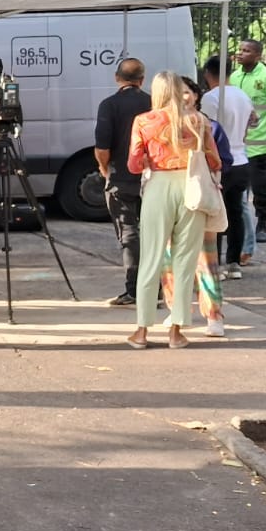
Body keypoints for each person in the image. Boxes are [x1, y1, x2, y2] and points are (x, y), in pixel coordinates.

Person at [126, 71, 221, 349]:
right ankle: (176, 331)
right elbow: (215, 161)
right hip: (192, 187)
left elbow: (133, 164)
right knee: (185, 260)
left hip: (158, 186)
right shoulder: (198, 120)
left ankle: (142, 331)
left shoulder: (144, 121)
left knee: (151, 258)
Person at [160, 76, 234, 338]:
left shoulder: (209, 126)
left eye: (187, 92)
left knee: (206, 260)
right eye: (177, 93)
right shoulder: (159, 125)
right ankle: (177, 310)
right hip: (172, 201)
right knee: (170, 262)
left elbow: (222, 160)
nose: (183, 98)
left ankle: (214, 315)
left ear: (197, 94)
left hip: (198, 198)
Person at [93, 58, 152, 306]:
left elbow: (102, 146)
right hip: (151, 177)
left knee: (129, 234)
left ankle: (134, 290)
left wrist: (105, 168)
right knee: (152, 233)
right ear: (142, 79)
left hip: (121, 178)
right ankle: (156, 287)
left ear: (117, 78)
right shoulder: (154, 103)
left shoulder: (109, 105)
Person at [200, 55, 255, 279]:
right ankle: (233, 263)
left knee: (215, 216)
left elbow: (208, 133)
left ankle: (216, 265)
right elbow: (247, 127)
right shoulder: (243, 96)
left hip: (220, 163)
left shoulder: (211, 98)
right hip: (242, 158)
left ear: (207, 74)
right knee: (235, 213)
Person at [230, 39, 266, 242]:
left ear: (258, 55)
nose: (241, 53)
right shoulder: (234, 77)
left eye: (247, 51)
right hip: (237, 142)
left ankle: (262, 223)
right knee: (235, 186)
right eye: (240, 50)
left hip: (260, 143)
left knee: (261, 187)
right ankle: (235, 223)